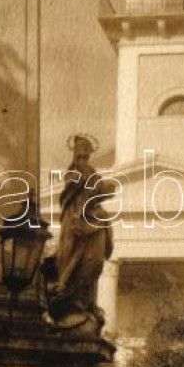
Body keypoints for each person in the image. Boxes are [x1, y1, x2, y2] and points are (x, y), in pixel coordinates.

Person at [49, 135, 113, 325]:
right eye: (80, 154)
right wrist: (79, 181)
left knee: (94, 260)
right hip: (75, 218)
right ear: (75, 154)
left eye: (86, 154)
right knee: (72, 252)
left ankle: (85, 299)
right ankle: (70, 294)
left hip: (93, 217)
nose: (83, 158)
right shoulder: (72, 171)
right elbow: (68, 191)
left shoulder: (93, 173)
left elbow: (102, 189)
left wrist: (106, 188)